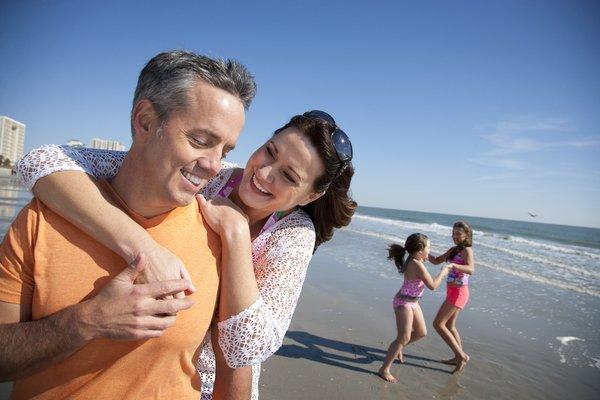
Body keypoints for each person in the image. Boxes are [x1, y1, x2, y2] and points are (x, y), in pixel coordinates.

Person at [16, 111, 357, 399]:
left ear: (311, 196)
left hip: (204, 383)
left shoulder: (291, 235)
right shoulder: (214, 175)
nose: (264, 173)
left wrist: (236, 234)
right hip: (145, 361)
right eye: (270, 151)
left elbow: (248, 349)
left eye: (288, 176)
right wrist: (141, 244)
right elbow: (42, 161)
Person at [0, 50, 256, 399]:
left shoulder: (219, 237)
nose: (214, 166)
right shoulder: (43, 218)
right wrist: (87, 321)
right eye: (200, 140)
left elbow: (235, 368)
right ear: (146, 121)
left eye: (225, 151)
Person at [378, 234, 449, 383]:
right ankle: (384, 369)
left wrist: (449, 254)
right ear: (420, 250)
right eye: (428, 247)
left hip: (413, 302)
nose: (430, 250)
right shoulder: (417, 264)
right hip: (403, 303)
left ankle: (399, 348)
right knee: (403, 337)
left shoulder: (415, 258)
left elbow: (434, 260)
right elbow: (433, 286)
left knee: (421, 332)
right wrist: (444, 272)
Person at [429, 221, 475, 374]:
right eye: (453, 233)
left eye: (458, 234)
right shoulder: (454, 250)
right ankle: (457, 356)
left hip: (460, 292)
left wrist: (453, 266)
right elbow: (436, 261)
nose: (454, 236)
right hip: (452, 292)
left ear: (466, 235)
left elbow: (471, 269)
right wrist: (420, 251)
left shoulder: (467, 250)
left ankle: (461, 356)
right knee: (449, 326)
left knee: (438, 324)